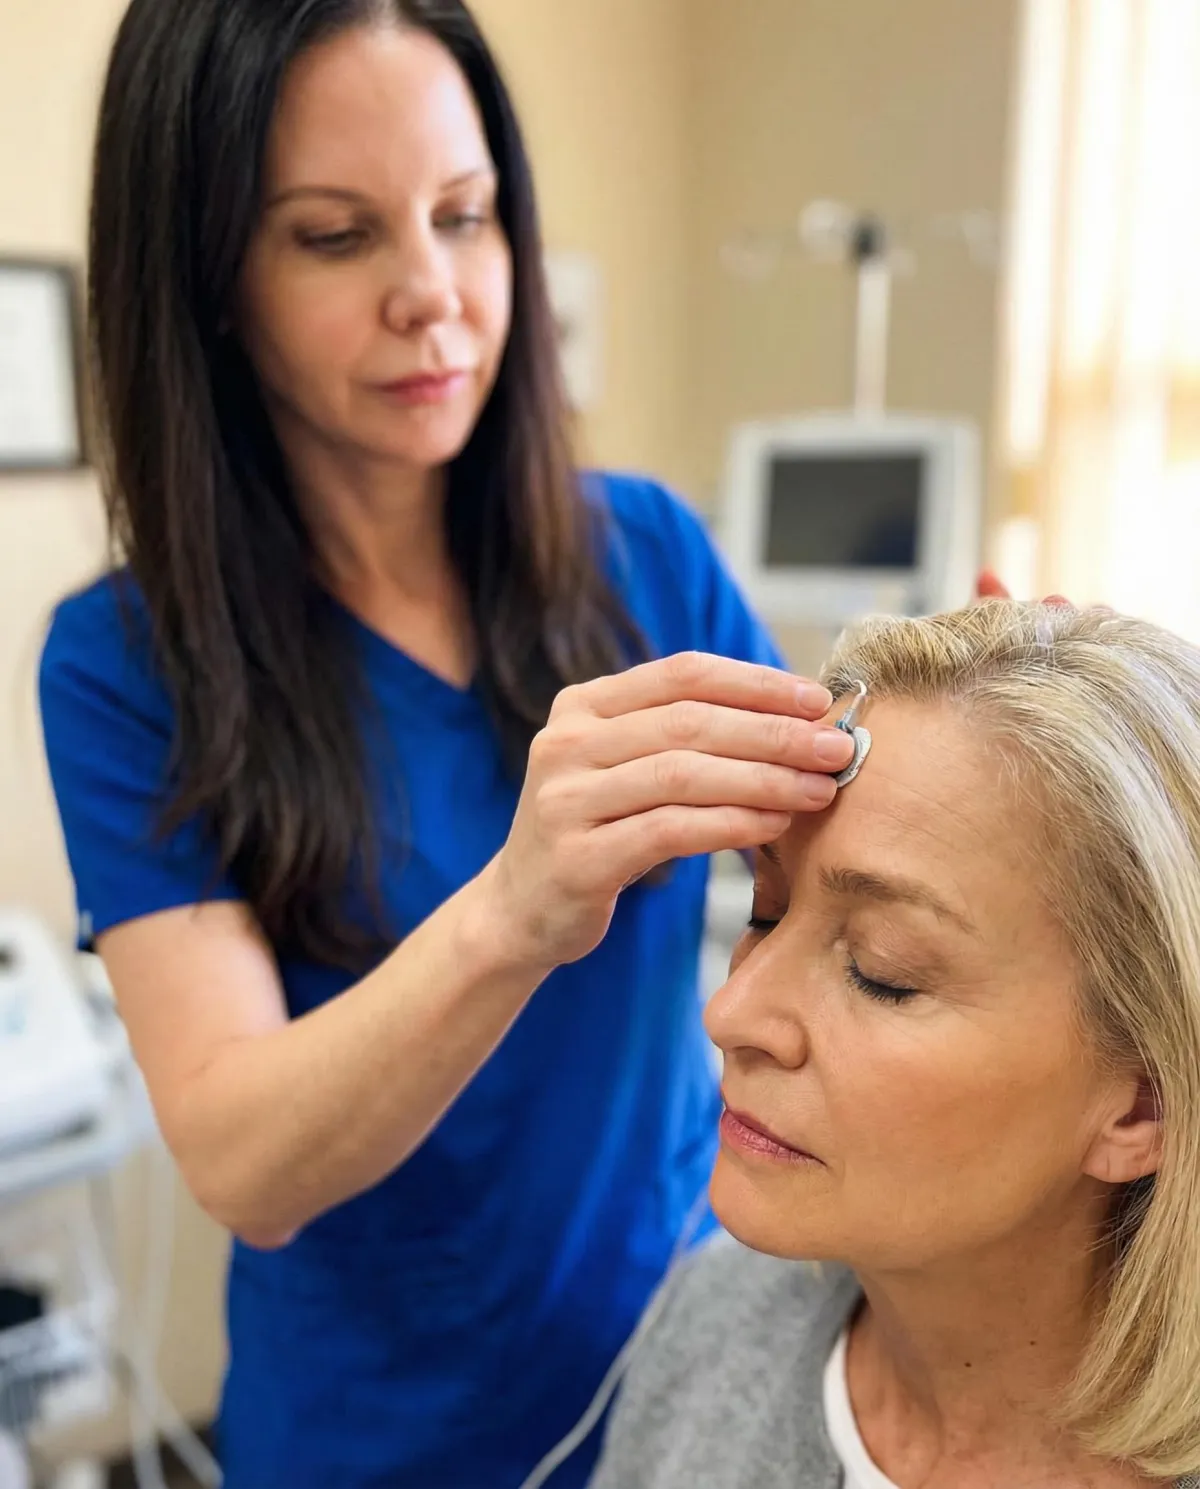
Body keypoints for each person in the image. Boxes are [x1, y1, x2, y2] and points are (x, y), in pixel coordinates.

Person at [37, 1, 861, 1484]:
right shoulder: (126, 663)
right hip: (374, 1439)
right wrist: (513, 907)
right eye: (336, 236)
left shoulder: (646, 558)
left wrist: (1000, 720)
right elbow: (241, 1160)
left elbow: (841, 829)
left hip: (689, 1372)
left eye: (465, 217)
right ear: (211, 278)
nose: (434, 294)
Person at [591, 600, 1200, 1489]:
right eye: (767, 911)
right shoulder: (710, 1324)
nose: (730, 1012)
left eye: (884, 970)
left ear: (1145, 1102)